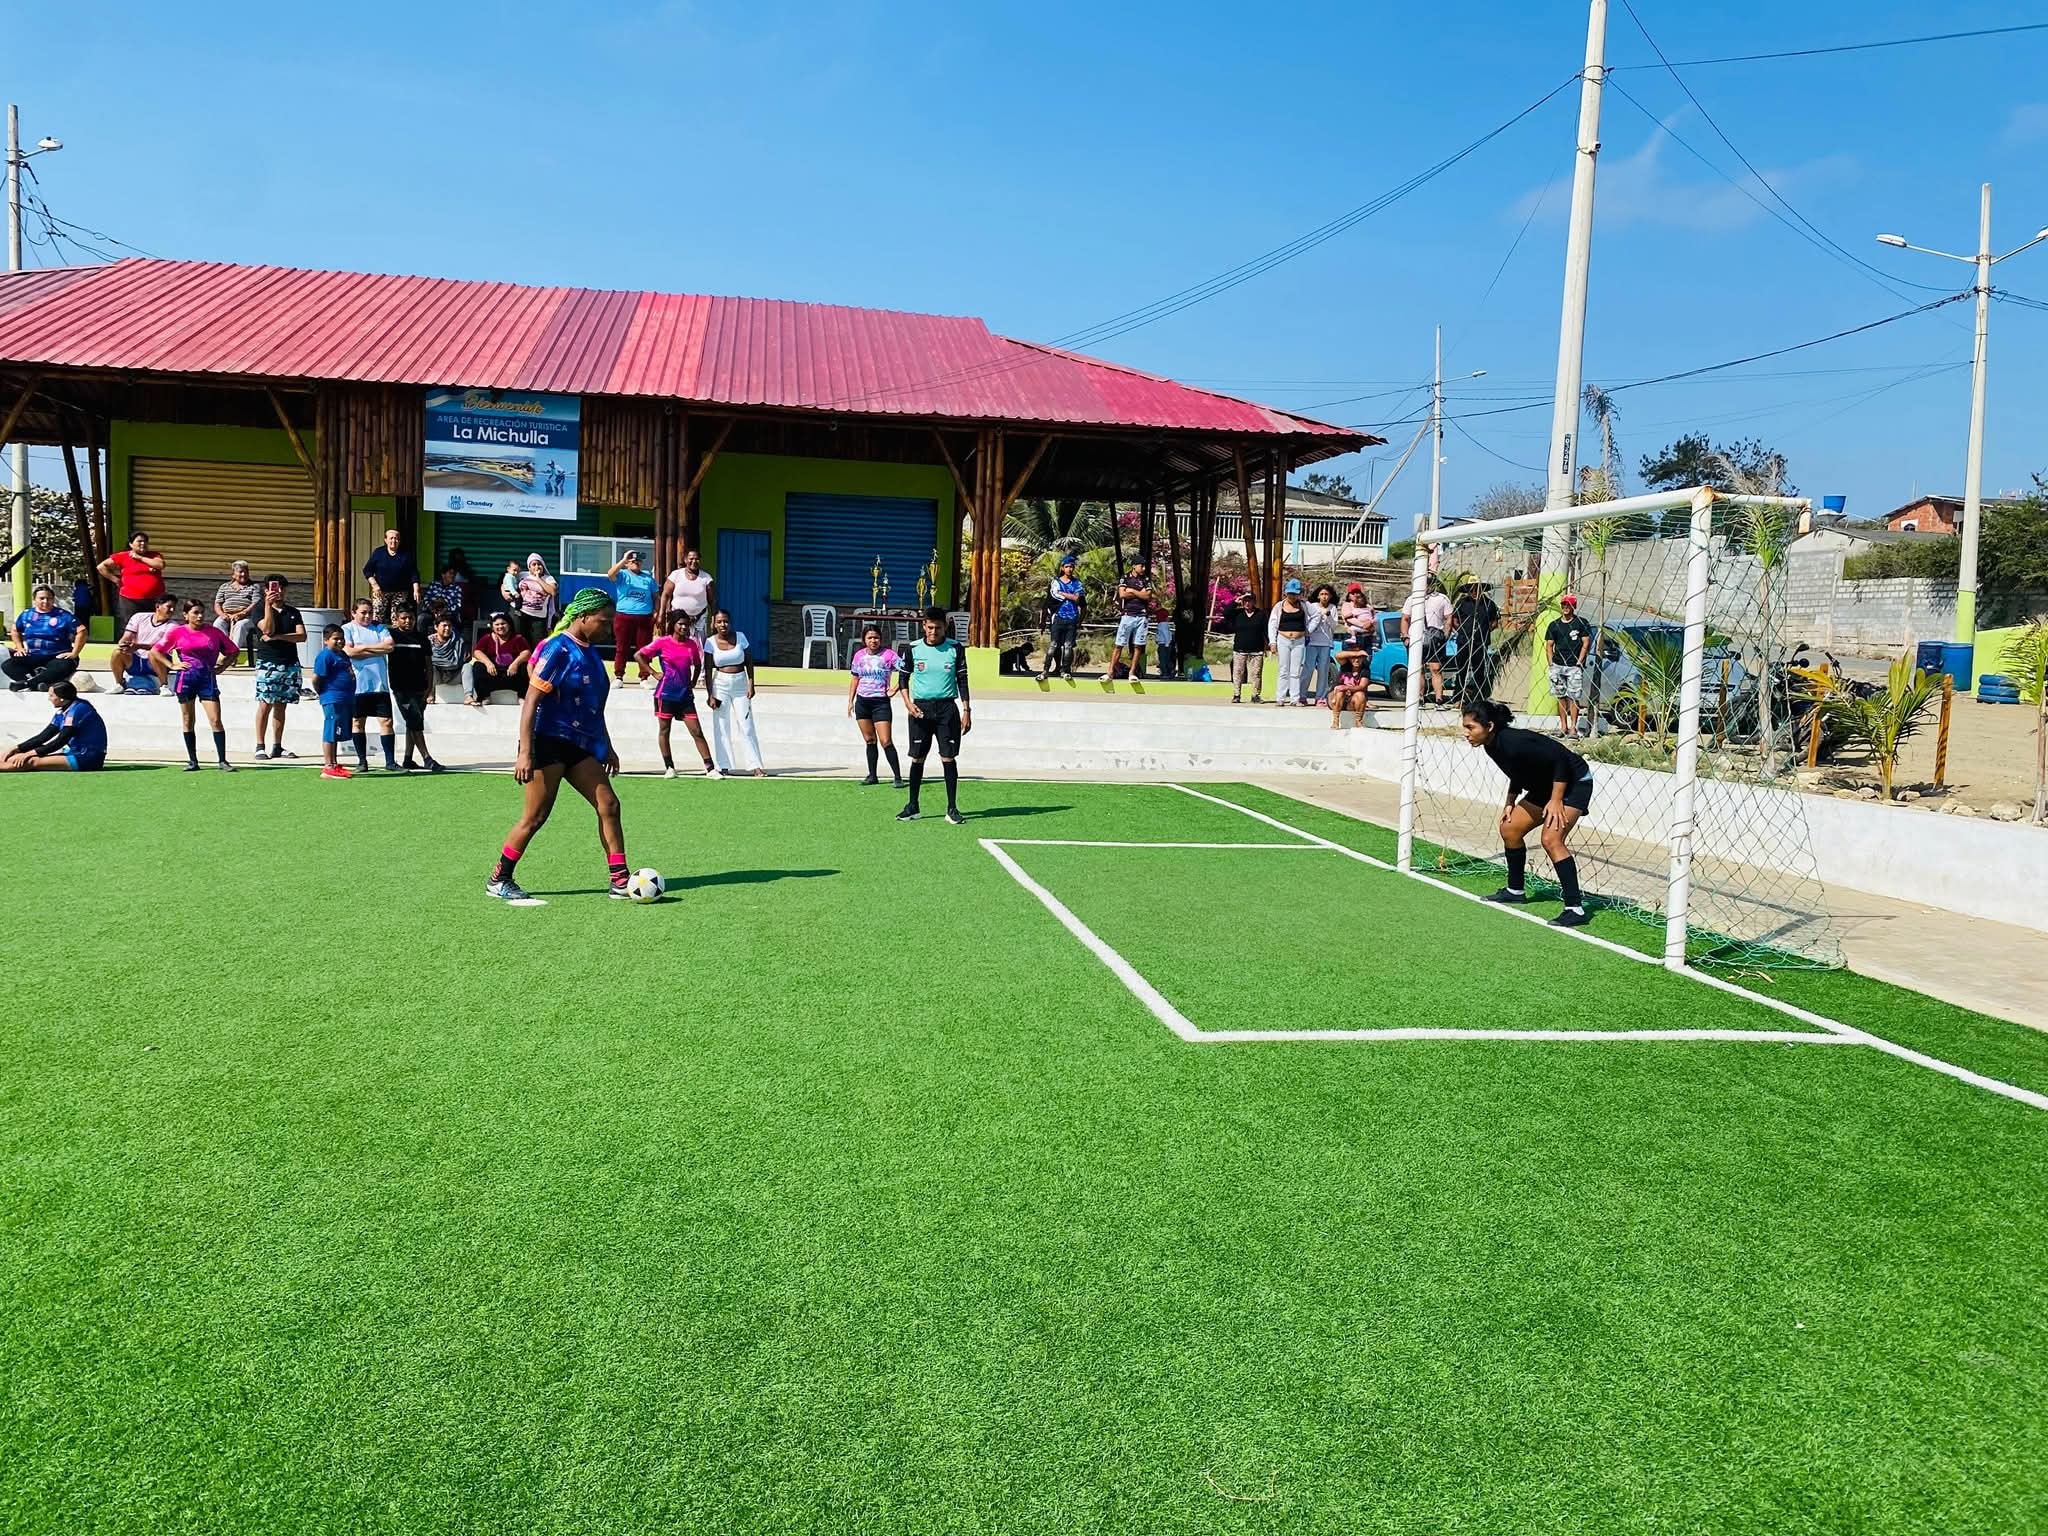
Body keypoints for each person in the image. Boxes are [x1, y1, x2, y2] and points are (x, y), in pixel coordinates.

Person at [486, 588, 632, 904]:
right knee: (535, 816)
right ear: (584, 617)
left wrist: (607, 745)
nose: (609, 628)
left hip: (578, 744)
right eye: (604, 621)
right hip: (547, 742)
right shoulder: (558, 649)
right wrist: (525, 752)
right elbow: (531, 702)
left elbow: (594, 708)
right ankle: (499, 878)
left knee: (609, 804)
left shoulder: (591, 653)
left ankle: (620, 880)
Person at [1462, 698, 1594, 928]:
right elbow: (1517, 770)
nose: (1466, 733)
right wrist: (1510, 801)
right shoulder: (1491, 745)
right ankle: (1515, 890)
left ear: (1489, 726)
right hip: (1546, 785)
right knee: (1510, 828)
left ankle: (1575, 908)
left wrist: (1556, 800)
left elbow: (1560, 758)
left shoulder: (1514, 741)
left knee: (1551, 839)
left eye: (1470, 727)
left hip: (1574, 782)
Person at [894, 604, 970, 824]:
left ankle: (952, 808)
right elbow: (903, 678)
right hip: (920, 710)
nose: (934, 632)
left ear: (945, 627)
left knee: (948, 757)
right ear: (924, 626)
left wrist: (966, 710)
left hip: (947, 709)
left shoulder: (955, 648)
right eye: (930, 627)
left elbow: (962, 680)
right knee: (918, 757)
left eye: (938, 628)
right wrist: (908, 704)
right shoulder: (912, 649)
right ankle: (913, 806)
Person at [151, 599, 238, 771]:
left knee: (215, 720)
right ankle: (193, 761)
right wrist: (171, 665)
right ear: (186, 615)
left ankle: (222, 760)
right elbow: (155, 651)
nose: (200, 616)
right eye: (195, 613)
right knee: (188, 719)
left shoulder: (213, 632)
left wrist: (222, 666)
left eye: (202, 612)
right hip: (186, 680)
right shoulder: (178, 632)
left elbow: (233, 650)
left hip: (207, 680)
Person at [637, 610, 718, 779]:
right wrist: (653, 672)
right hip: (665, 694)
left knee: (696, 731)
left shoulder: (692, 644)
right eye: (680, 624)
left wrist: (693, 681)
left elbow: (697, 664)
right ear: (673, 625)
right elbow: (639, 655)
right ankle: (669, 767)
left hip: (685, 696)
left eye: (686, 624)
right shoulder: (662, 642)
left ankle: (710, 768)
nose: (684, 627)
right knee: (664, 730)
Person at [702, 608, 765, 777]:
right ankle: (724, 765)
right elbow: (707, 670)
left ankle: (755, 765)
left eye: (726, 621)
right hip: (720, 684)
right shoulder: (710, 643)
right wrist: (710, 695)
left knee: (746, 725)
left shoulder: (740, 637)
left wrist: (751, 684)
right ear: (714, 624)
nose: (723, 624)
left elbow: (749, 662)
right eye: (719, 622)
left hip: (740, 684)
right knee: (721, 725)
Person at [251, 575, 306, 762]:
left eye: (282, 588)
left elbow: (301, 636)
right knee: (265, 704)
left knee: (282, 705)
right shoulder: (259, 609)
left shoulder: (293, 611)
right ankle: (260, 745)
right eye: (275, 588)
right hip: (269, 663)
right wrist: (268, 606)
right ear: (266, 590)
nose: (279, 591)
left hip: (290, 663)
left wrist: (279, 637)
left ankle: (277, 745)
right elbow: (267, 629)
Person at [386, 602, 443, 773]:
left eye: (411, 618)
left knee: (414, 723)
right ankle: (427, 758)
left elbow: (429, 664)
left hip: (420, 687)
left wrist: (429, 687)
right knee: (414, 721)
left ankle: (408, 759)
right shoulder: (390, 636)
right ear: (396, 618)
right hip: (401, 688)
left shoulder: (422, 638)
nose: (408, 621)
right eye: (404, 618)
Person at [1, 682, 108, 773]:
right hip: (74, 752)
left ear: (61, 698)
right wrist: (16, 749)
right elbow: (43, 737)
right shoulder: (63, 710)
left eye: (51, 696)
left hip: (88, 757)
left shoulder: (79, 710)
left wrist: (29, 754)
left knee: (31, 761)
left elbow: (61, 740)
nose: (49, 699)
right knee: (15, 756)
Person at [342, 597, 397, 772]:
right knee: (358, 722)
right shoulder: (347, 629)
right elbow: (349, 651)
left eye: (370, 613)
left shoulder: (379, 627)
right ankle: (362, 761)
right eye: (363, 613)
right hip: (358, 685)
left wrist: (363, 648)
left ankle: (390, 762)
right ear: (353, 613)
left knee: (386, 722)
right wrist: (376, 649)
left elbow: (389, 647)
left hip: (380, 685)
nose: (367, 616)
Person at [847, 624, 903, 786]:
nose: (873, 641)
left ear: (881, 639)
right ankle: (872, 775)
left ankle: (897, 777)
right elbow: (855, 678)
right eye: (870, 638)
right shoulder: (859, 656)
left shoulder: (889, 655)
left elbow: (906, 670)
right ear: (864, 639)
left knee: (886, 740)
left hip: (881, 703)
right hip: (863, 702)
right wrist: (850, 701)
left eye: (876, 637)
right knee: (870, 740)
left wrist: (895, 689)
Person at [4, 585, 85, 692]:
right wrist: (20, 647)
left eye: (49, 598)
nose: (45, 601)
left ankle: (27, 684)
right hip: (33, 655)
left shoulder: (64, 616)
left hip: (57, 656)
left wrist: (74, 653)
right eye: (42, 598)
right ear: (34, 599)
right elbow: (15, 630)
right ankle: (40, 683)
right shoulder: (26, 615)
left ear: (53, 599)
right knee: (8, 665)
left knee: (64, 666)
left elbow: (82, 631)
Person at [606, 548, 658, 684]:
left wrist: (656, 611)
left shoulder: (648, 578)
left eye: (638, 561)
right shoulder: (622, 575)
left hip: (644, 617)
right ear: (627, 563)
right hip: (624, 616)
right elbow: (610, 574)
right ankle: (619, 676)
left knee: (644, 648)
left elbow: (655, 596)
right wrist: (624, 559)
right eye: (633, 561)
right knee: (622, 647)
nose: (636, 563)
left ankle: (644, 677)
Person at [1545, 594, 1594, 736]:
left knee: (1573, 697)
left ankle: (1573, 727)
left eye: (1569, 605)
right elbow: (1549, 645)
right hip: (1558, 665)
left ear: (1574, 606)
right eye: (1563, 604)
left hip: (1574, 666)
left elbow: (1586, 642)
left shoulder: (1581, 623)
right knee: (1560, 696)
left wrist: (1580, 661)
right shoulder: (1554, 625)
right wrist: (1551, 663)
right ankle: (1563, 726)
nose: (1566, 607)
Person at [312, 624, 357, 780]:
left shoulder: (342, 654)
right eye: (335, 638)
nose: (339, 641)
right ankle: (328, 766)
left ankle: (334, 762)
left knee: (337, 731)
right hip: (333, 698)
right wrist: (324, 693)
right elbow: (317, 678)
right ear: (326, 640)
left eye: (341, 638)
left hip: (345, 698)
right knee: (330, 730)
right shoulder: (325, 656)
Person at [109, 594, 177, 694]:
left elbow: (162, 647)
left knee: (154, 653)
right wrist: (124, 644)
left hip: (155, 663)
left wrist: (137, 646)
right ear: (158, 606)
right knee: (117, 652)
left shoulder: (174, 626)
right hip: (136, 660)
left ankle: (164, 686)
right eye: (169, 607)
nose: (172, 610)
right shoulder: (139, 617)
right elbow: (127, 636)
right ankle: (119, 684)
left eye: (174, 608)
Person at [1401, 576, 1453, 707]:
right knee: (1418, 669)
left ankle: (1439, 700)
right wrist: (1405, 636)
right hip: (1415, 637)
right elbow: (1405, 618)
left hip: (1435, 638)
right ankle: (1420, 698)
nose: (1425, 586)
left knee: (1436, 668)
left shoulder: (1442, 599)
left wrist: (1446, 635)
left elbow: (1448, 618)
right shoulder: (1411, 599)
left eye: (1428, 583)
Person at [98, 530, 167, 625]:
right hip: (130, 599)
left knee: (154, 624)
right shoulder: (123, 556)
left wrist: (140, 558)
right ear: (131, 544)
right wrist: (115, 580)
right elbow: (101, 567)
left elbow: (160, 565)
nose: (143, 543)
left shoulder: (154, 555)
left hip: (155, 598)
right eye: (139, 541)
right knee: (132, 625)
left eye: (145, 541)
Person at [1452, 581, 1502, 701]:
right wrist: (1462, 630)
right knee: (1462, 669)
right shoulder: (1462, 603)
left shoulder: (1489, 604)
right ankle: (1458, 695)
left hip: (1480, 642)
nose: (1474, 592)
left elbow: (1494, 622)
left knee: (1479, 670)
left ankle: (1478, 696)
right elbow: (1455, 620)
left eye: (1477, 590)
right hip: (1464, 641)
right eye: (1472, 590)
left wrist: (1485, 631)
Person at [468, 612, 531, 704]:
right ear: (492, 627)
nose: (500, 627)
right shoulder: (487, 638)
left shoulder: (518, 638)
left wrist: (515, 664)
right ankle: (484, 696)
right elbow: (477, 652)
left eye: (503, 624)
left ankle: (522, 696)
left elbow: (527, 653)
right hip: (493, 672)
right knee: (478, 666)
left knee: (525, 666)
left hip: (512, 673)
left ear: (509, 625)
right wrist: (488, 663)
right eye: (497, 624)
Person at [362, 528, 421, 623]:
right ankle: (376, 631)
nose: (394, 541)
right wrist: (374, 585)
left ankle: (396, 631)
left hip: (400, 591)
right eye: (391, 538)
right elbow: (367, 570)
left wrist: (416, 590)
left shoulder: (406, 554)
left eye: (396, 538)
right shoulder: (378, 553)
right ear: (386, 540)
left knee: (399, 616)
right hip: (381, 590)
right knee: (377, 614)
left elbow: (414, 573)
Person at [1040, 556, 1083, 681]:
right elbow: (1051, 599)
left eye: (1071, 567)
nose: (1069, 569)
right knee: (1053, 645)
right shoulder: (1055, 582)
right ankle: (1045, 670)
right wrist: (1043, 621)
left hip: (1072, 617)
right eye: (1067, 567)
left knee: (1068, 646)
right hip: (1058, 617)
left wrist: (1062, 593)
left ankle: (1065, 670)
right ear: (1062, 568)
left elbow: (1078, 599)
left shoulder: (1077, 583)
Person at [1267, 578, 1309, 706]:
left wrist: (1308, 631)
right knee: (1283, 669)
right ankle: (1280, 697)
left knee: (1295, 671)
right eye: (1290, 593)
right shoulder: (1279, 606)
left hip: (1299, 640)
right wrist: (1272, 642)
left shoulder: (1304, 606)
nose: (1292, 596)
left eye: (1295, 594)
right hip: (1283, 639)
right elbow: (1273, 624)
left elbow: (1316, 616)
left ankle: (1295, 698)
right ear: (1286, 593)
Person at [1220, 587, 1267, 703]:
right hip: (1240, 649)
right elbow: (1226, 613)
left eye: (1249, 600)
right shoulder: (1238, 613)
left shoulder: (1261, 614)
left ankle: (1255, 695)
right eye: (1245, 600)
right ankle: (1237, 695)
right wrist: (1235, 602)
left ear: (1254, 602)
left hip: (1257, 649)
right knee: (1238, 673)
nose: (1247, 603)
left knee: (1256, 674)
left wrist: (1269, 644)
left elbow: (1265, 630)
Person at [211, 560, 263, 661]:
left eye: (246, 572)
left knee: (240, 625)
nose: (243, 574)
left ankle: (232, 655)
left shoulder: (254, 587)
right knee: (217, 624)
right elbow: (217, 604)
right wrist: (222, 614)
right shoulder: (224, 587)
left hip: (247, 617)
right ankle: (225, 651)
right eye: (240, 572)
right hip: (227, 614)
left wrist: (243, 613)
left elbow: (255, 603)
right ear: (233, 574)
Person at [1109, 562, 1151, 681]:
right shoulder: (1125, 578)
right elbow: (1122, 594)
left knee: (1138, 646)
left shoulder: (1146, 579)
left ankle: (1132, 672)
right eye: (1141, 566)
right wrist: (1140, 592)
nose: (1143, 568)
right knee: (1119, 644)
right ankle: (1110, 671)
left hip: (1142, 616)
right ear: (1134, 566)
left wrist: (1132, 591)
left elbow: (1147, 596)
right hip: (1128, 615)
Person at [1302, 583, 1342, 704]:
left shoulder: (1332, 608)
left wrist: (1328, 616)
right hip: (1312, 642)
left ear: (1330, 596)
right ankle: (1302, 695)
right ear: (1318, 596)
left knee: (1323, 670)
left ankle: (1320, 697)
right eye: (1322, 594)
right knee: (1308, 669)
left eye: (1326, 594)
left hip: (1325, 643)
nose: (1324, 596)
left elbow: (1334, 626)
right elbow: (1307, 623)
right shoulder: (1312, 606)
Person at [661, 548, 715, 629]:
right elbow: (665, 594)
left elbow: (712, 600)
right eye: (691, 559)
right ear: (685, 560)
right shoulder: (676, 575)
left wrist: (714, 618)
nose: (694, 561)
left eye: (697, 559)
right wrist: (661, 613)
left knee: (697, 638)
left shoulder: (706, 578)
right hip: (678, 620)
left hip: (699, 620)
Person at [513, 554, 558, 642]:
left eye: (539, 564)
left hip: (538, 617)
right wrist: (504, 590)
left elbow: (552, 591)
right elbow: (507, 579)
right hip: (521, 614)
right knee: (520, 641)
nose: (537, 566)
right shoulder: (522, 575)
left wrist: (538, 579)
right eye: (534, 564)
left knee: (538, 643)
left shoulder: (548, 578)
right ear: (529, 567)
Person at [1329, 645, 1372, 728]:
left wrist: (1347, 687)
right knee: (1340, 691)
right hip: (1336, 698)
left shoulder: (1365, 669)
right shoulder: (1345, 665)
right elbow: (1337, 655)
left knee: (1360, 695)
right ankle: (1335, 720)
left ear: (1363, 658)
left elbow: (1362, 686)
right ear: (1349, 658)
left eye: (1359, 657)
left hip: (1351, 701)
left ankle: (1358, 721)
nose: (1356, 660)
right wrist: (1357, 653)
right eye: (1353, 657)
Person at [422, 562, 468, 631]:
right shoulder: (434, 585)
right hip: (432, 612)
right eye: (450, 573)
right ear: (443, 575)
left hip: (449, 614)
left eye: (454, 574)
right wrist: (432, 609)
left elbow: (458, 605)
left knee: (455, 622)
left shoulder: (457, 588)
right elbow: (426, 599)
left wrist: (445, 610)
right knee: (422, 618)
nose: (453, 575)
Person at [428, 614, 467, 691]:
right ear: (436, 627)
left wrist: (438, 661)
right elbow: (427, 660)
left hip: (454, 676)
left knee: (467, 667)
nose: (447, 628)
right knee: (430, 666)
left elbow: (456, 663)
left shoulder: (458, 641)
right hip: (437, 676)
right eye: (444, 625)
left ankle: (469, 695)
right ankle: (430, 693)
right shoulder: (428, 641)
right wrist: (444, 662)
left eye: (449, 626)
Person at [1339, 584, 1377, 655]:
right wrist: (1363, 625)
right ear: (1349, 595)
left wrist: (1371, 623)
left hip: (1367, 637)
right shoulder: (1347, 605)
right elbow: (1349, 619)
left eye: (1357, 592)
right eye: (1353, 593)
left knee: (1367, 659)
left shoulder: (1367, 606)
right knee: (1352, 659)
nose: (1355, 595)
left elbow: (1373, 617)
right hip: (1354, 637)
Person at [1152, 605, 1178, 682]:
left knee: (1163, 659)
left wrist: (1167, 644)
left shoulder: (1162, 624)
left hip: (1163, 644)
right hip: (1164, 643)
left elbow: (1166, 634)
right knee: (1167, 658)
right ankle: (1170, 671)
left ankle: (1165, 673)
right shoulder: (1165, 624)